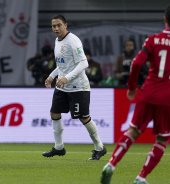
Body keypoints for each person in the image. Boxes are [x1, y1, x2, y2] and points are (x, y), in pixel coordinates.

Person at [101, 5, 170, 184]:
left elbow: (136, 64)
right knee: (162, 139)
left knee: (133, 131)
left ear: (165, 19)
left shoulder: (153, 40)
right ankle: (141, 177)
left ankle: (111, 164)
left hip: (148, 92)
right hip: (167, 97)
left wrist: (131, 87)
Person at [42, 15, 106, 160]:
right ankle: (59, 147)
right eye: (53, 26)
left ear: (66, 25)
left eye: (59, 25)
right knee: (54, 114)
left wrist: (66, 78)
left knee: (84, 118)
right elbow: (62, 65)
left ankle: (99, 147)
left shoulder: (73, 41)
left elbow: (84, 63)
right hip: (63, 87)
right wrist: (52, 76)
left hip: (79, 87)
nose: (56, 28)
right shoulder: (57, 41)